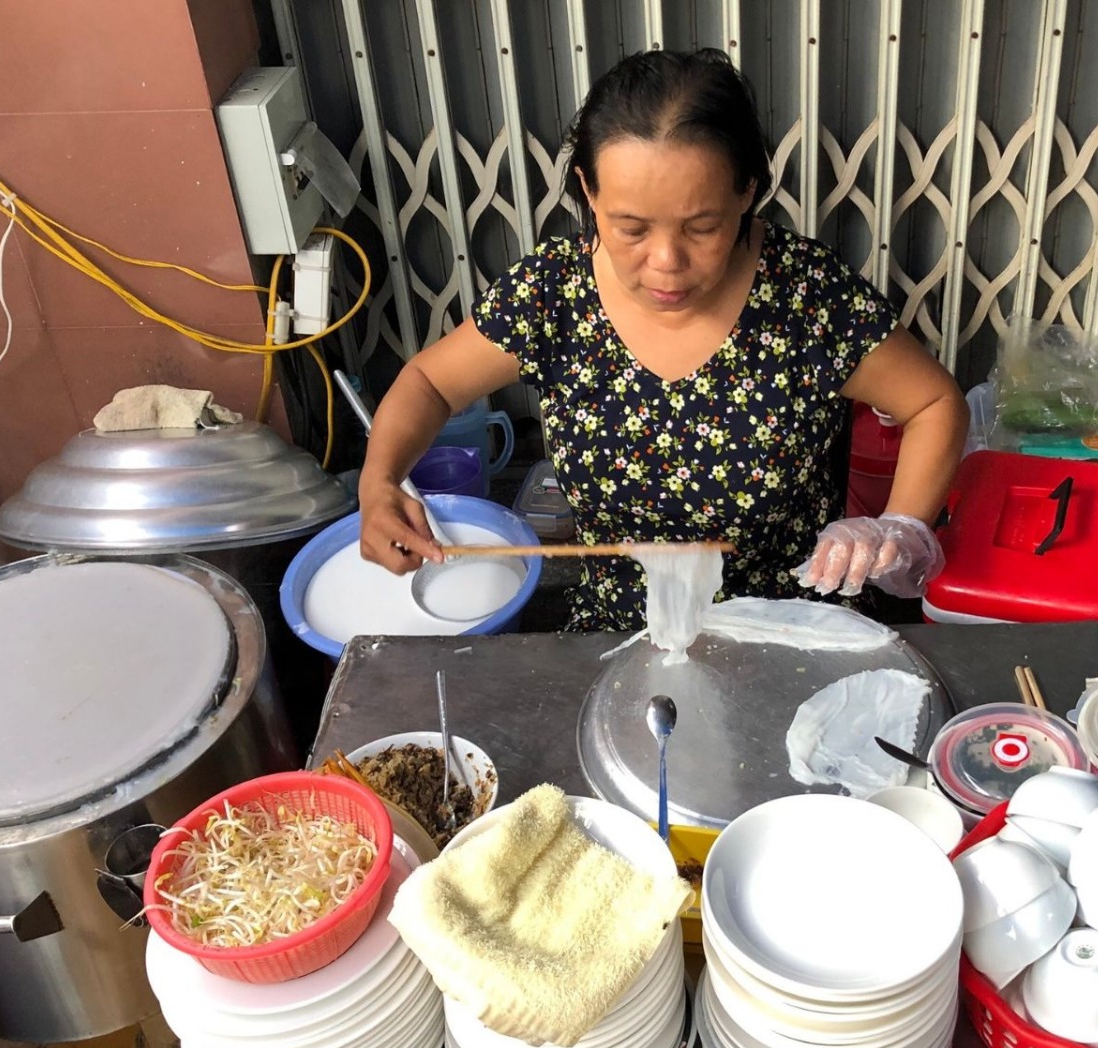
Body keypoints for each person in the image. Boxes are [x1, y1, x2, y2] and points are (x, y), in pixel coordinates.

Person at [359, 48, 967, 632]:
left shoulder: (806, 299)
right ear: (589, 192)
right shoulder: (551, 296)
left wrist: (900, 525)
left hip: (793, 620)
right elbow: (430, 382)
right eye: (630, 228)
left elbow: (935, 403)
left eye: (702, 227)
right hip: (620, 627)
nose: (666, 261)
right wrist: (380, 481)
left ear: (747, 191)